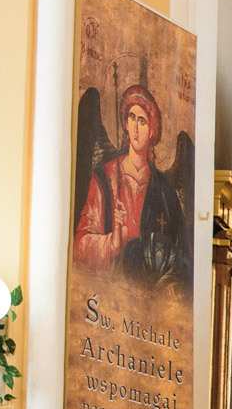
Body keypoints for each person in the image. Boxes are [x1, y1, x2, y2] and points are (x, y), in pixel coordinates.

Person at [72, 82, 190, 289]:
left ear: (152, 130)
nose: (136, 128)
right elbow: (80, 245)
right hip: (111, 290)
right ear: (125, 123)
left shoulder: (164, 190)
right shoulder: (105, 175)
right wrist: (113, 241)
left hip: (150, 293)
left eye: (142, 121)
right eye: (132, 118)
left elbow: (182, 256)